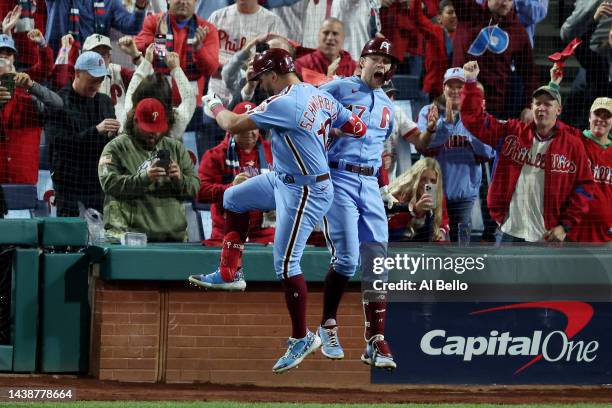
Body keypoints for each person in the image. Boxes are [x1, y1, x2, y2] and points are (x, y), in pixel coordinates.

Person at [188, 48, 367, 373]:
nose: (261, 84)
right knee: (233, 199)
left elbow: (233, 123)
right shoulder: (317, 94)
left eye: (262, 78)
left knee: (285, 264)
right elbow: (358, 128)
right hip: (284, 178)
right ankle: (230, 271)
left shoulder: (285, 102)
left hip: (306, 189)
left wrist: (213, 104)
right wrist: (326, 135)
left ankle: (302, 337)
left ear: (272, 74)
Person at [317, 38, 438, 370]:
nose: (382, 65)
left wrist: (431, 129)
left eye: (387, 60)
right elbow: (308, 119)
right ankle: (327, 323)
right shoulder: (338, 88)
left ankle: (375, 340)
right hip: (338, 177)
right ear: (361, 61)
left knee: (378, 264)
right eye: (376, 58)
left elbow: (413, 145)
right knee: (347, 258)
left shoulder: (388, 105)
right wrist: (329, 132)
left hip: (370, 182)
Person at [460, 61, 593, 243]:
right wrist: (471, 82)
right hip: (509, 229)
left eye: (548, 104)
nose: (542, 108)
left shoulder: (572, 144)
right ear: (531, 107)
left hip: (547, 235)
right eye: (538, 103)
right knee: (504, 272)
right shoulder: (511, 132)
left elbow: (584, 187)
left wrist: (565, 226)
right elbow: (473, 120)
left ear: (558, 110)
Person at [98, 98, 199, 242]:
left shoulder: (176, 148)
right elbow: (108, 183)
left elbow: (195, 187)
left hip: (173, 238)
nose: (153, 133)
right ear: (135, 121)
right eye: (148, 128)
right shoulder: (116, 148)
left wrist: (180, 179)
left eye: (157, 128)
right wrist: (144, 178)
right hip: (131, 239)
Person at [418, 68, 496, 242]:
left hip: (464, 193)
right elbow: (424, 146)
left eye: (459, 86)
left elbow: (488, 152)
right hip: (432, 191)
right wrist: (445, 125)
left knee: (461, 247)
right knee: (433, 243)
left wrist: (472, 123)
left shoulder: (480, 116)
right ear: (443, 88)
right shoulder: (428, 112)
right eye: (450, 86)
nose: (455, 90)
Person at [46, 51, 118, 216]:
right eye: (93, 79)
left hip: (96, 182)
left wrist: (113, 135)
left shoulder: (105, 102)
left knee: (99, 235)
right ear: (77, 73)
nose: (97, 84)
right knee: (68, 235)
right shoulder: (59, 101)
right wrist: (96, 130)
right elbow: (60, 142)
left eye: (100, 80)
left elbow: (110, 145)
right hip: (69, 184)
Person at [197, 101, 274, 245]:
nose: (252, 133)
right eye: (247, 127)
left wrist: (278, 205)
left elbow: (290, 184)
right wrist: (230, 188)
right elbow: (200, 192)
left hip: (265, 235)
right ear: (234, 128)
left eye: (255, 127)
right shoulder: (216, 155)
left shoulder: (273, 151)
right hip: (226, 234)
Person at [452, 0, 539, 117]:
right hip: (460, 101)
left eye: (509, 0)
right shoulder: (468, 12)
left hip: (494, 110)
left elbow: (529, 73)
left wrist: (529, 106)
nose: (505, 3)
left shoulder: (518, 31)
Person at [135, 0, 219, 108]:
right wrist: (160, 39)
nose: (184, 2)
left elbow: (210, 69)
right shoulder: (153, 21)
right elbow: (139, 52)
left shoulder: (207, 29)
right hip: (156, 100)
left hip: (191, 105)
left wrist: (198, 49)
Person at [207, 0, 288, 103]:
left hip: (252, 99)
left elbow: (277, 66)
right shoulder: (217, 16)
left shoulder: (273, 21)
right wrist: (239, 66)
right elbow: (206, 60)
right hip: (215, 96)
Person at [0, 58, 63, 184]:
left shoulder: (28, 102)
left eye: (6, 79)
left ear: (15, 80)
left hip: (24, 184)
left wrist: (31, 85)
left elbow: (58, 105)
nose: (2, 84)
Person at [124, 43, 196, 139]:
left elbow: (131, 90)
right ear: (168, 100)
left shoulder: (130, 114)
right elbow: (189, 99)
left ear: (138, 96)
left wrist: (146, 62)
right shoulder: (175, 122)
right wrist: (176, 69)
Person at [568, 97, 611, 243]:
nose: (601, 119)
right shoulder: (574, 140)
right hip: (570, 233)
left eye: (607, 116)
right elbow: (550, 123)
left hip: (606, 236)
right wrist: (553, 86)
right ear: (589, 117)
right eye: (597, 114)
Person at [44, 0, 149, 52]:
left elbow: (132, 27)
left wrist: (140, 7)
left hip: (93, 68)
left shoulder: (108, 1)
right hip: (58, 65)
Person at [387, 157, 450, 242]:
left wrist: (441, 232)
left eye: (433, 180)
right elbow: (392, 229)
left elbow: (442, 222)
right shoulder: (400, 193)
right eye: (423, 179)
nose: (427, 184)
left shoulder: (438, 195)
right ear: (415, 178)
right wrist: (414, 211)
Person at [382, 80, 433, 181]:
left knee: (403, 136)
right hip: (365, 180)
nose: (388, 99)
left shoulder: (396, 113)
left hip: (388, 185)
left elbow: (419, 141)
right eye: (383, 95)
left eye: (390, 95)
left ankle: (403, 183)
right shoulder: (363, 115)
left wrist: (430, 129)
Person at [411, 0, 458, 100]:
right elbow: (417, 17)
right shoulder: (435, 32)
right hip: (434, 93)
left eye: (456, 13)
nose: (454, 16)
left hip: (455, 92)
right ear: (439, 18)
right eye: (449, 12)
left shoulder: (462, 36)